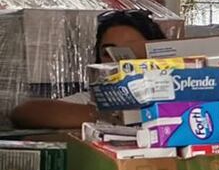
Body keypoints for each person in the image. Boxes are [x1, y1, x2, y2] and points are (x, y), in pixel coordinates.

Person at [10, 9, 166, 129]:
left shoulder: (173, 96)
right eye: (107, 53)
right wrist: (108, 115)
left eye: (130, 51)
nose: (118, 61)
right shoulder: (94, 99)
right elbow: (24, 112)